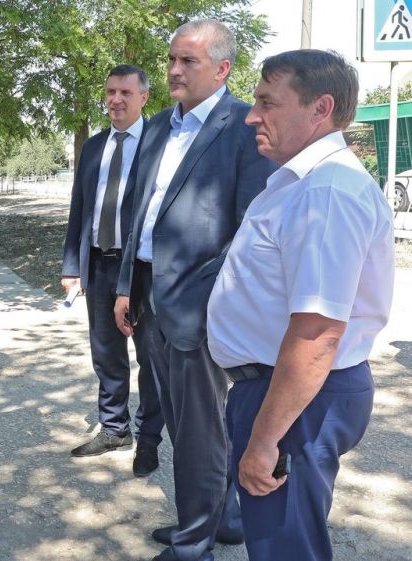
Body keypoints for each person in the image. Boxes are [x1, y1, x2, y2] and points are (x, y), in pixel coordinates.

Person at [209, 49, 395, 561]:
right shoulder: (303, 181)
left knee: (285, 549)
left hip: (295, 397)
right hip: (284, 392)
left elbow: (317, 334)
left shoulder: (327, 190)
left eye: (267, 103)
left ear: (320, 109)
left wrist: (266, 439)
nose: (251, 115)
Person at [113, 19, 278, 561]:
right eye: (172, 60)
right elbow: (139, 212)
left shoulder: (242, 127)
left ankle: (193, 547)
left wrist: (213, 299)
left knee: (201, 432)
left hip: (199, 308)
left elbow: (249, 228)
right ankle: (214, 521)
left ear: (223, 69)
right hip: (148, 299)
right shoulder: (159, 126)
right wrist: (125, 288)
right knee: (185, 427)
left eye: (188, 61)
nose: (174, 70)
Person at [61, 64, 164, 477]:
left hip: (141, 268)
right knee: (106, 352)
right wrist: (72, 266)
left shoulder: (159, 143)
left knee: (151, 356)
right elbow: (79, 207)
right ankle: (115, 428)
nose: (115, 99)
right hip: (100, 265)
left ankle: (149, 436)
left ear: (143, 98)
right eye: (110, 92)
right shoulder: (94, 146)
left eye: (125, 92)